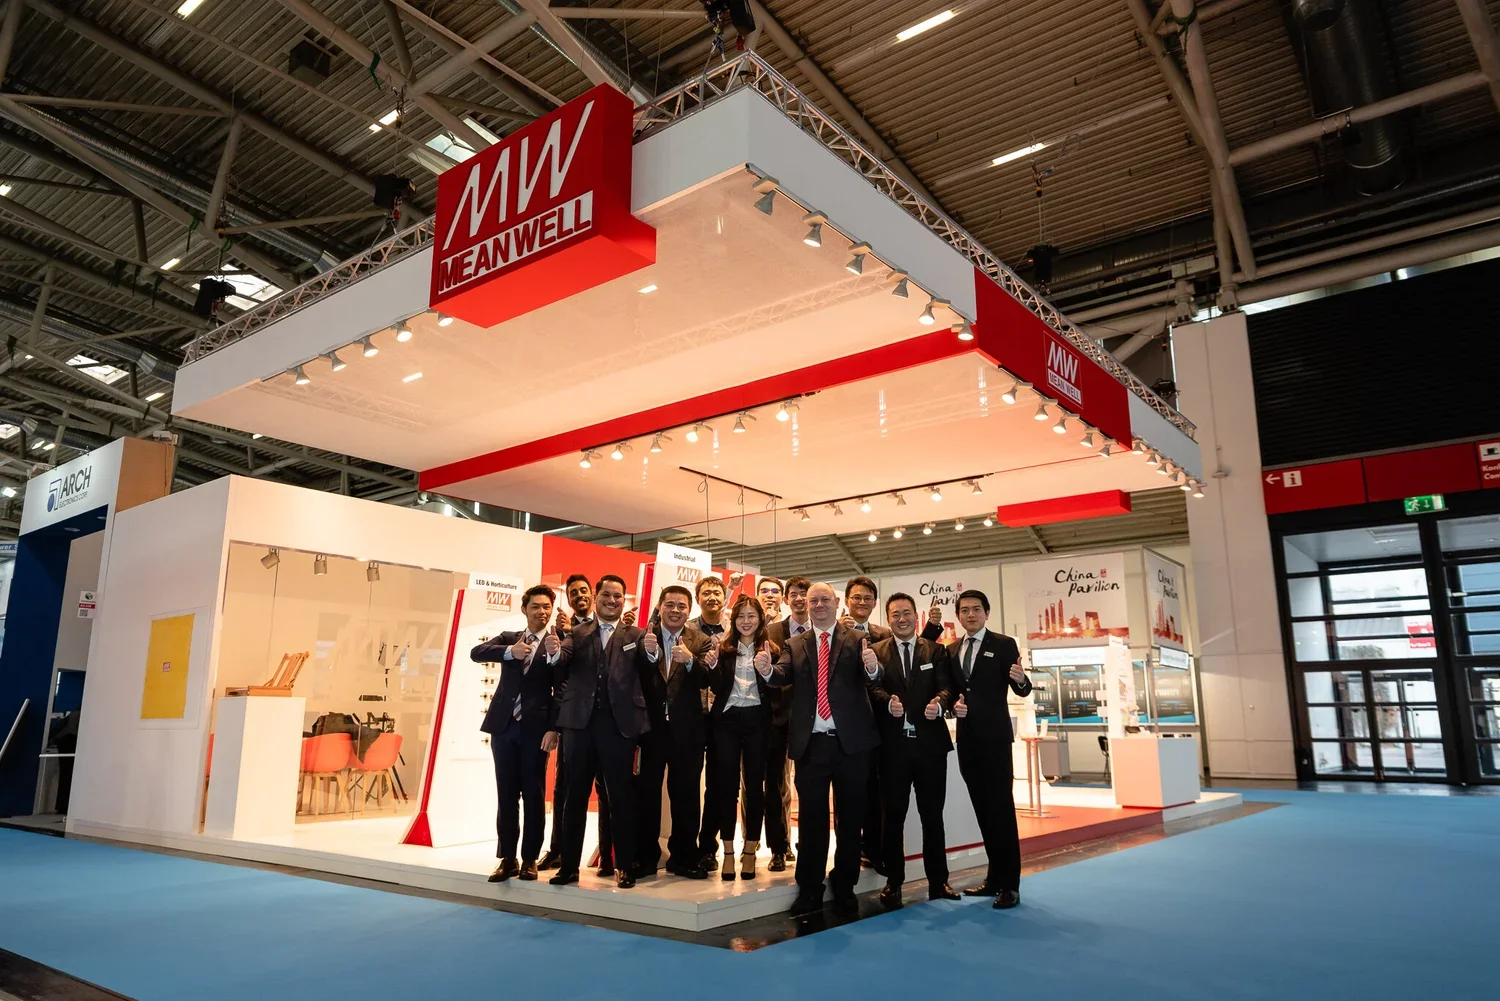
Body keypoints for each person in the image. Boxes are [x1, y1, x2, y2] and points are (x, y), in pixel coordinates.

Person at [767, 582, 883, 917]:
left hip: (852, 746)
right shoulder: (795, 643)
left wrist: (873, 666)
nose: (818, 605)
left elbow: (873, 675)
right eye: (813, 600)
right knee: (812, 821)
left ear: (837, 604)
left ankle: (845, 886)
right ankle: (810, 889)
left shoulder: (859, 640)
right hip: (811, 746)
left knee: (849, 821)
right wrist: (766, 671)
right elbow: (781, 676)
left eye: (824, 600)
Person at [545, 575, 651, 889]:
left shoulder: (637, 635)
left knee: (621, 800)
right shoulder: (576, 633)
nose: (612, 600)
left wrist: (654, 653)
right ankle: (568, 867)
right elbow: (560, 661)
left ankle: (624, 867)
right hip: (579, 726)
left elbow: (647, 672)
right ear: (596, 596)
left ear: (624, 600)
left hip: (619, 729)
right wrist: (552, 651)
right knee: (573, 799)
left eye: (618, 596)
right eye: (606, 594)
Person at [868, 592, 960, 908]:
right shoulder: (876, 652)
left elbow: (948, 687)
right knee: (892, 817)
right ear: (888, 618)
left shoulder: (936, 651)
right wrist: (885, 701)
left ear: (916, 616)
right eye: (895, 614)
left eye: (907, 613)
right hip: (892, 749)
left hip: (931, 748)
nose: (902, 619)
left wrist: (940, 702)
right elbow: (871, 688)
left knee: (932, 816)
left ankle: (939, 882)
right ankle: (894, 882)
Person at [948, 588, 1032, 910]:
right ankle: (994, 878)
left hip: (996, 740)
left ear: (987, 613)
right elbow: (952, 693)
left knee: (1001, 811)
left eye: (976, 609)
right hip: (967, 742)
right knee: (983, 812)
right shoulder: (952, 649)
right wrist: (950, 707)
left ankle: (1010, 884)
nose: (970, 614)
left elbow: (1020, 689)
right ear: (958, 615)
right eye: (965, 610)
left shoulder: (1004, 644)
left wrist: (1022, 679)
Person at [473, 585, 562, 883]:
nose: (541, 612)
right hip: (503, 727)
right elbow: (477, 652)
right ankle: (507, 858)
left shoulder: (557, 642)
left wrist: (554, 728)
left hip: (536, 731)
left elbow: (562, 689)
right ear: (525, 610)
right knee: (506, 795)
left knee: (534, 796)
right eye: (535, 606)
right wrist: (510, 652)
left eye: (546, 607)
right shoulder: (509, 639)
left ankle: (530, 859)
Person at [636, 585, 714, 880]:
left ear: (689, 610)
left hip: (688, 732)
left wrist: (691, 661)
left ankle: (683, 856)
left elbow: (709, 678)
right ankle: (645, 857)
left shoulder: (702, 640)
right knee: (647, 795)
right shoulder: (643, 637)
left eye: (682, 606)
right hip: (650, 730)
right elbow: (632, 674)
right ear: (660, 606)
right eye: (670, 604)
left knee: (686, 797)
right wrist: (648, 654)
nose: (676, 610)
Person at [537, 574, 609, 874]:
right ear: (567, 599)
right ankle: (560, 853)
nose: (579, 595)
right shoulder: (561, 633)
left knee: (607, 790)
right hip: (573, 722)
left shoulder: (612, 625)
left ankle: (609, 854)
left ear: (592, 594)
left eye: (583, 590)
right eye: (573, 592)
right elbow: (558, 682)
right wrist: (556, 724)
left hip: (607, 723)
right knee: (565, 789)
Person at [710, 595, 778, 881]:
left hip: (758, 722)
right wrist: (711, 666)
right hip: (726, 720)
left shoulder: (772, 649)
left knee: (755, 787)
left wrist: (768, 670)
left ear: (760, 619)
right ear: (734, 620)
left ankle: (749, 850)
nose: (746, 621)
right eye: (741, 617)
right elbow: (714, 687)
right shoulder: (723, 650)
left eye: (752, 616)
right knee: (726, 787)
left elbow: (779, 687)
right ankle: (726, 850)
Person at [762, 575, 810, 872]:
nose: (799, 598)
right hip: (775, 718)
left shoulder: (821, 631)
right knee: (774, 786)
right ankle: (778, 848)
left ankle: (807, 844)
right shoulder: (771, 631)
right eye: (793, 593)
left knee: (808, 786)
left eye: (804, 593)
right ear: (786, 599)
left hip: (810, 719)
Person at [690, 574, 730, 871]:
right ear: (698, 597)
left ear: (724, 596)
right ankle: (685, 846)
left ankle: (708, 847)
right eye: (707, 592)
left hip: (724, 718)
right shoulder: (687, 630)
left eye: (717, 592)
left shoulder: (734, 629)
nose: (712, 597)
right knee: (688, 784)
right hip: (692, 716)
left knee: (717, 786)